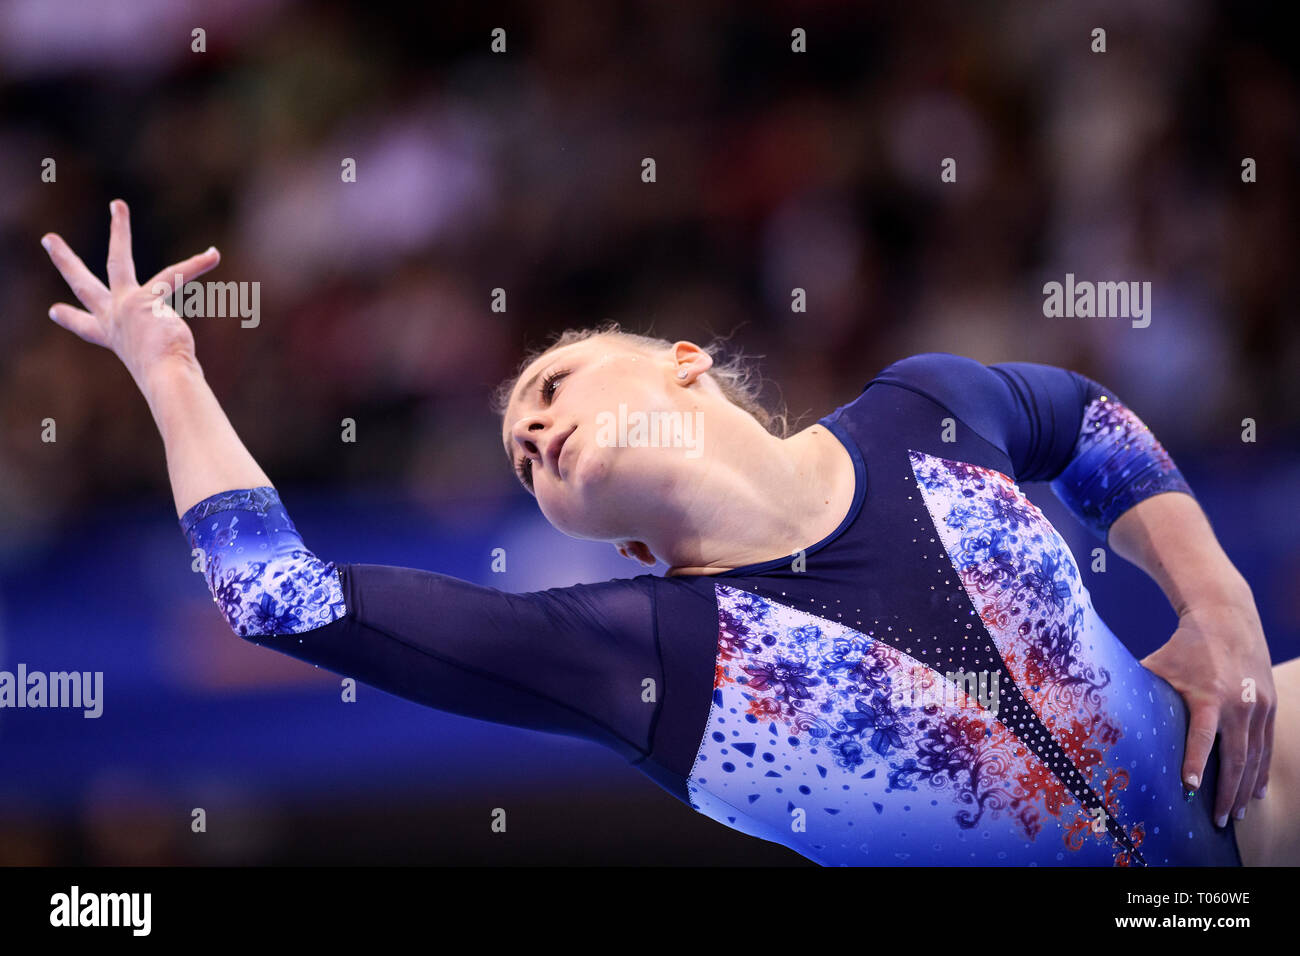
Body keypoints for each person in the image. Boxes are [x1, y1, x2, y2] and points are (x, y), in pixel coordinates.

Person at [40, 200, 1298, 866]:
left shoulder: (921, 408)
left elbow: (1082, 420)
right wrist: (167, 368)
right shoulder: (638, 652)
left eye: (553, 386)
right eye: (520, 460)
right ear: (616, 546)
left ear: (685, 366)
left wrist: (1219, 604)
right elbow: (278, 597)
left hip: (1246, 797)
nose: (532, 432)